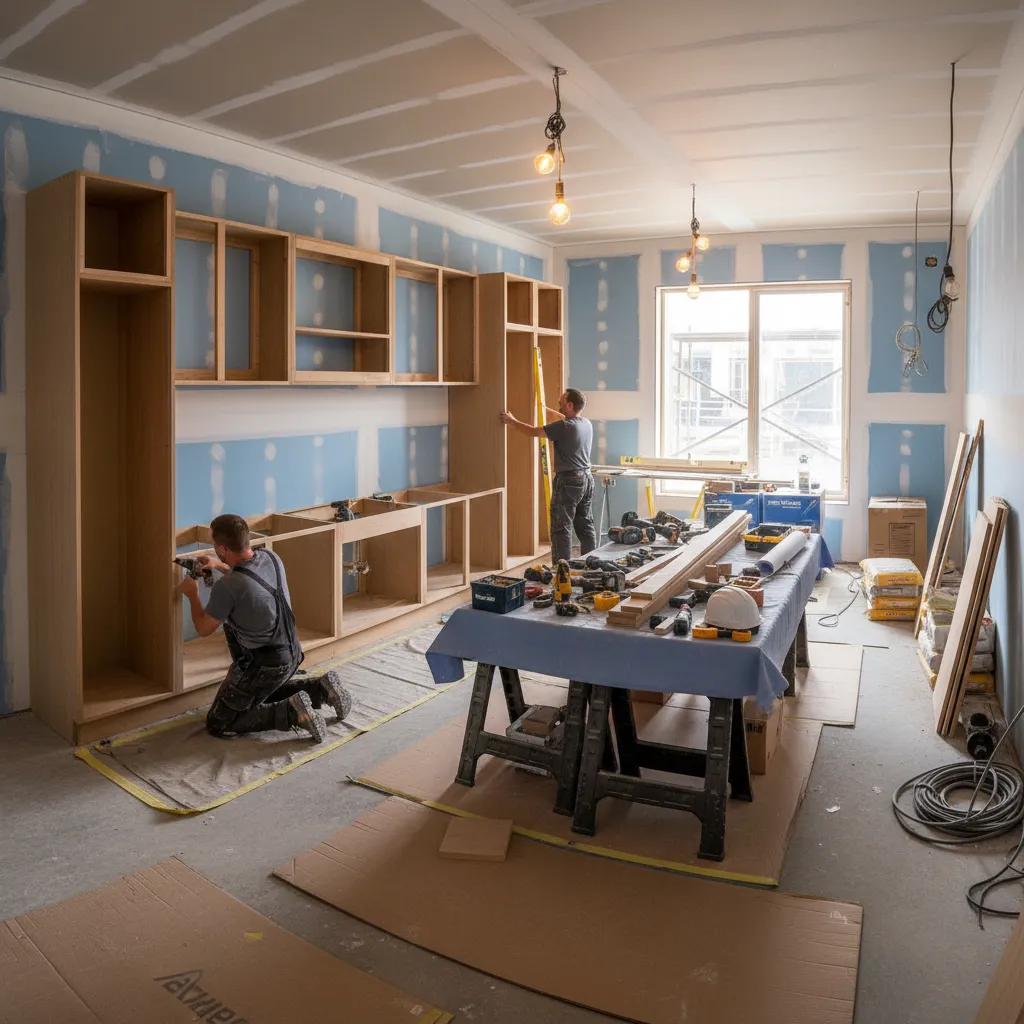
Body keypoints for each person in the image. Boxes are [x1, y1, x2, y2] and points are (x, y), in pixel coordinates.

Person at [179, 513, 352, 743]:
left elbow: (204, 628)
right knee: (258, 694)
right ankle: (321, 688)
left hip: (265, 665)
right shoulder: (270, 557)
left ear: (221, 548)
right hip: (292, 654)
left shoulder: (228, 587)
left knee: (220, 721)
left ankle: (292, 712)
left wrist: (191, 594)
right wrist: (219, 565)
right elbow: (247, 582)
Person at [500, 388, 596, 564]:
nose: (558, 404)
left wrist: (512, 421)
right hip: (586, 479)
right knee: (584, 524)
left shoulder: (564, 427)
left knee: (561, 527)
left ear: (570, 404)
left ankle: (561, 572)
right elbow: (562, 421)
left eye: (561, 402)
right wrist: (546, 410)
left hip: (569, 481)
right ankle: (592, 563)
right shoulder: (586, 424)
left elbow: (533, 432)